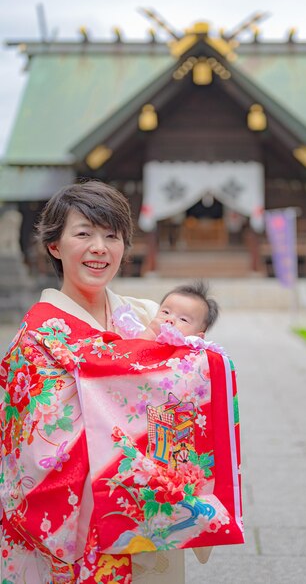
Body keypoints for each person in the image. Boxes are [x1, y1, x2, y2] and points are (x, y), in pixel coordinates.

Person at [0, 181, 243, 584]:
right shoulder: (35, 338)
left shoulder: (150, 318)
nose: (100, 247)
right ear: (55, 246)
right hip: (83, 529)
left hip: (151, 516)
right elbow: (31, 445)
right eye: (83, 233)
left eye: (112, 236)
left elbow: (184, 408)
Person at [139, 281, 219, 341]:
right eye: (166, 312)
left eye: (183, 319)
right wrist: (150, 333)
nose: (170, 320)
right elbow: (131, 354)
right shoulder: (141, 332)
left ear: (197, 337)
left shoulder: (195, 357)